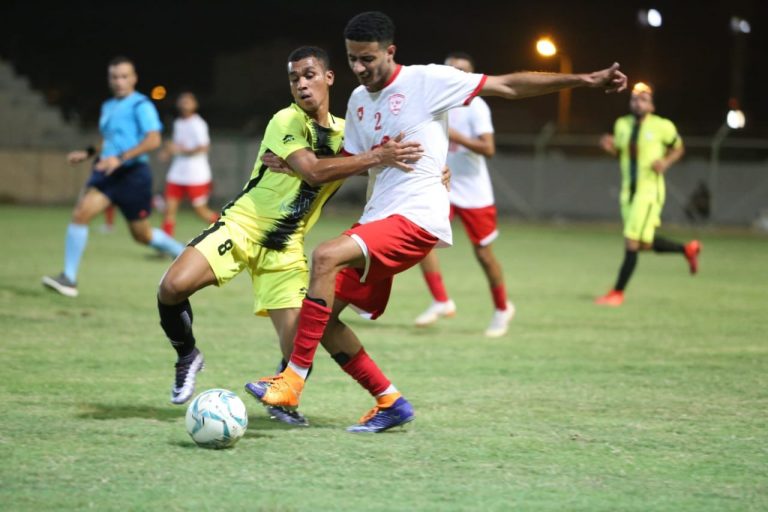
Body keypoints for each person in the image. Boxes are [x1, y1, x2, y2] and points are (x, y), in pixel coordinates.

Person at [248, 10, 627, 432]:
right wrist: (295, 165)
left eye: (367, 59)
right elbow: (351, 162)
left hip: (417, 217)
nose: (359, 68)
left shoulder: (428, 80)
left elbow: (507, 85)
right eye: (353, 59)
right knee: (324, 319)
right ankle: (390, 401)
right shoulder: (357, 101)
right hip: (378, 218)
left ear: (390, 52)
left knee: (324, 256)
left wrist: (584, 80)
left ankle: (292, 381)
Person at [156, 46, 423, 426]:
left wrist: (431, 173)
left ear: (329, 78)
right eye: (294, 78)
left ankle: (283, 402)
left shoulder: (350, 134)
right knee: (172, 287)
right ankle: (187, 355)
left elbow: (385, 162)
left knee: (302, 340)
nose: (301, 84)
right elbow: (315, 170)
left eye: (309, 75)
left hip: (285, 247)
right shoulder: (285, 120)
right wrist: (374, 158)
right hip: (243, 225)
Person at [42, 56, 185, 298]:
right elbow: (108, 139)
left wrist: (120, 158)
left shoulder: (141, 105)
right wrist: (88, 152)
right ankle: (69, 278)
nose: (119, 81)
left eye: (124, 76)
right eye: (114, 77)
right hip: (107, 172)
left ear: (134, 78)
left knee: (142, 235)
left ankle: (180, 251)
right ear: (109, 79)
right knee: (80, 214)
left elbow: (153, 139)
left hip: (133, 175)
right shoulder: (108, 106)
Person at [413, 51, 514, 337]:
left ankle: (502, 308)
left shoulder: (476, 106)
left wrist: (457, 137)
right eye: (451, 69)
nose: (456, 75)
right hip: (443, 187)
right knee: (421, 242)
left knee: (483, 254)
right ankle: (441, 300)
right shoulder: (434, 103)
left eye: (462, 71)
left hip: (474, 192)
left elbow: (488, 148)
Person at [595, 82, 700, 307]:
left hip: (649, 192)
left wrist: (665, 162)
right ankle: (687, 249)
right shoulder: (622, 124)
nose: (638, 103)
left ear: (652, 106)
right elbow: (622, 153)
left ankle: (617, 293)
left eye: (643, 99)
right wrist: (610, 148)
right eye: (634, 99)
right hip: (628, 192)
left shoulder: (662, 126)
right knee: (642, 244)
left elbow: (678, 148)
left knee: (631, 242)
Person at [157, 91, 219, 237]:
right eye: (182, 101)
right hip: (177, 173)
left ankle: (226, 228)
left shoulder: (198, 124)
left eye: (188, 101)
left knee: (200, 211)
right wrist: (168, 151)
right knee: (169, 210)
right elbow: (178, 145)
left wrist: (180, 150)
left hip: (196, 175)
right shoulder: (178, 123)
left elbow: (204, 147)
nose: (184, 104)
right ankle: (166, 243)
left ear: (195, 105)